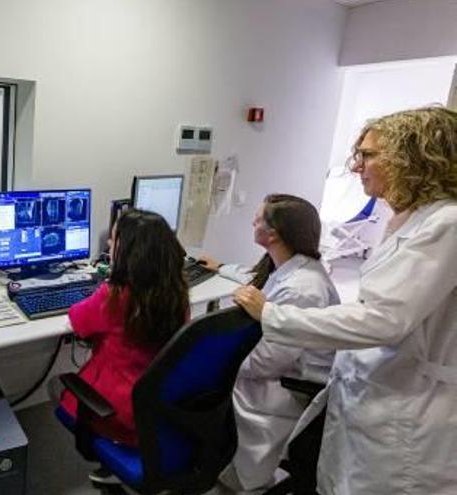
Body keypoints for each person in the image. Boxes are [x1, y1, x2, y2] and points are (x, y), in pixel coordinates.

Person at [233, 107, 457, 495]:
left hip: (405, 415)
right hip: (369, 396)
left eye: (368, 155)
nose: (357, 167)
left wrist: (272, 314)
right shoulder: (409, 220)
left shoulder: (446, 225)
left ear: (412, 157)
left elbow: (384, 318)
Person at [199, 194, 340, 493]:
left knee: (203, 389)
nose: (253, 221)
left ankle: (234, 476)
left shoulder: (304, 289)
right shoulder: (292, 265)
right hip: (279, 369)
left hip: (286, 386)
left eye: (259, 218)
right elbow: (258, 279)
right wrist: (221, 266)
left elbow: (267, 362)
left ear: (274, 234)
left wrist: (217, 364)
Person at [59, 209, 190, 449]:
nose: (109, 243)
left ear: (126, 250)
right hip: (155, 408)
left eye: (113, 238)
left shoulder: (115, 296)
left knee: (66, 391)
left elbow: (78, 321)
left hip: (113, 411)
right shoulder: (177, 293)